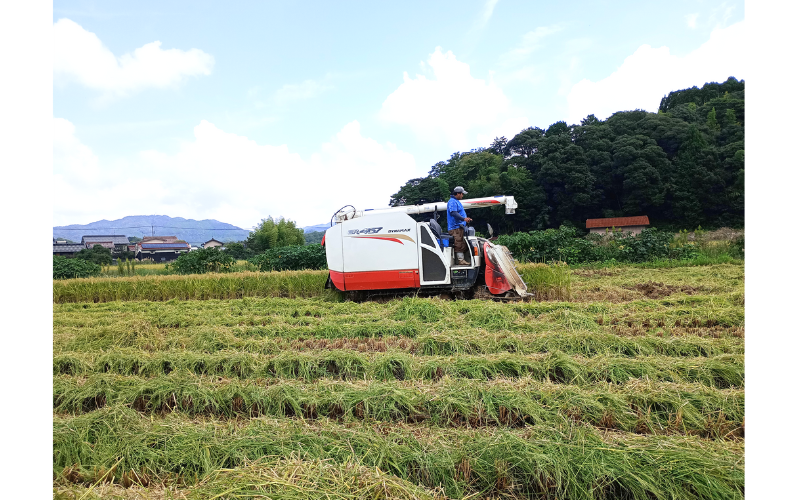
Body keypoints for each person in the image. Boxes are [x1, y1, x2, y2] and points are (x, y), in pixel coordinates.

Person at [446, 186, 472, 266]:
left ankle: (462, 259)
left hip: (458, 227)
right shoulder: (452, 202)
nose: (462, 196)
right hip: (455, 227)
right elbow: (454, 213)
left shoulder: (455, 201)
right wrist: (464, 219)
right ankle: (461, 260)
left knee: (462, 243)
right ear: (458, 193)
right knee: (459, 243)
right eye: (462, 194)